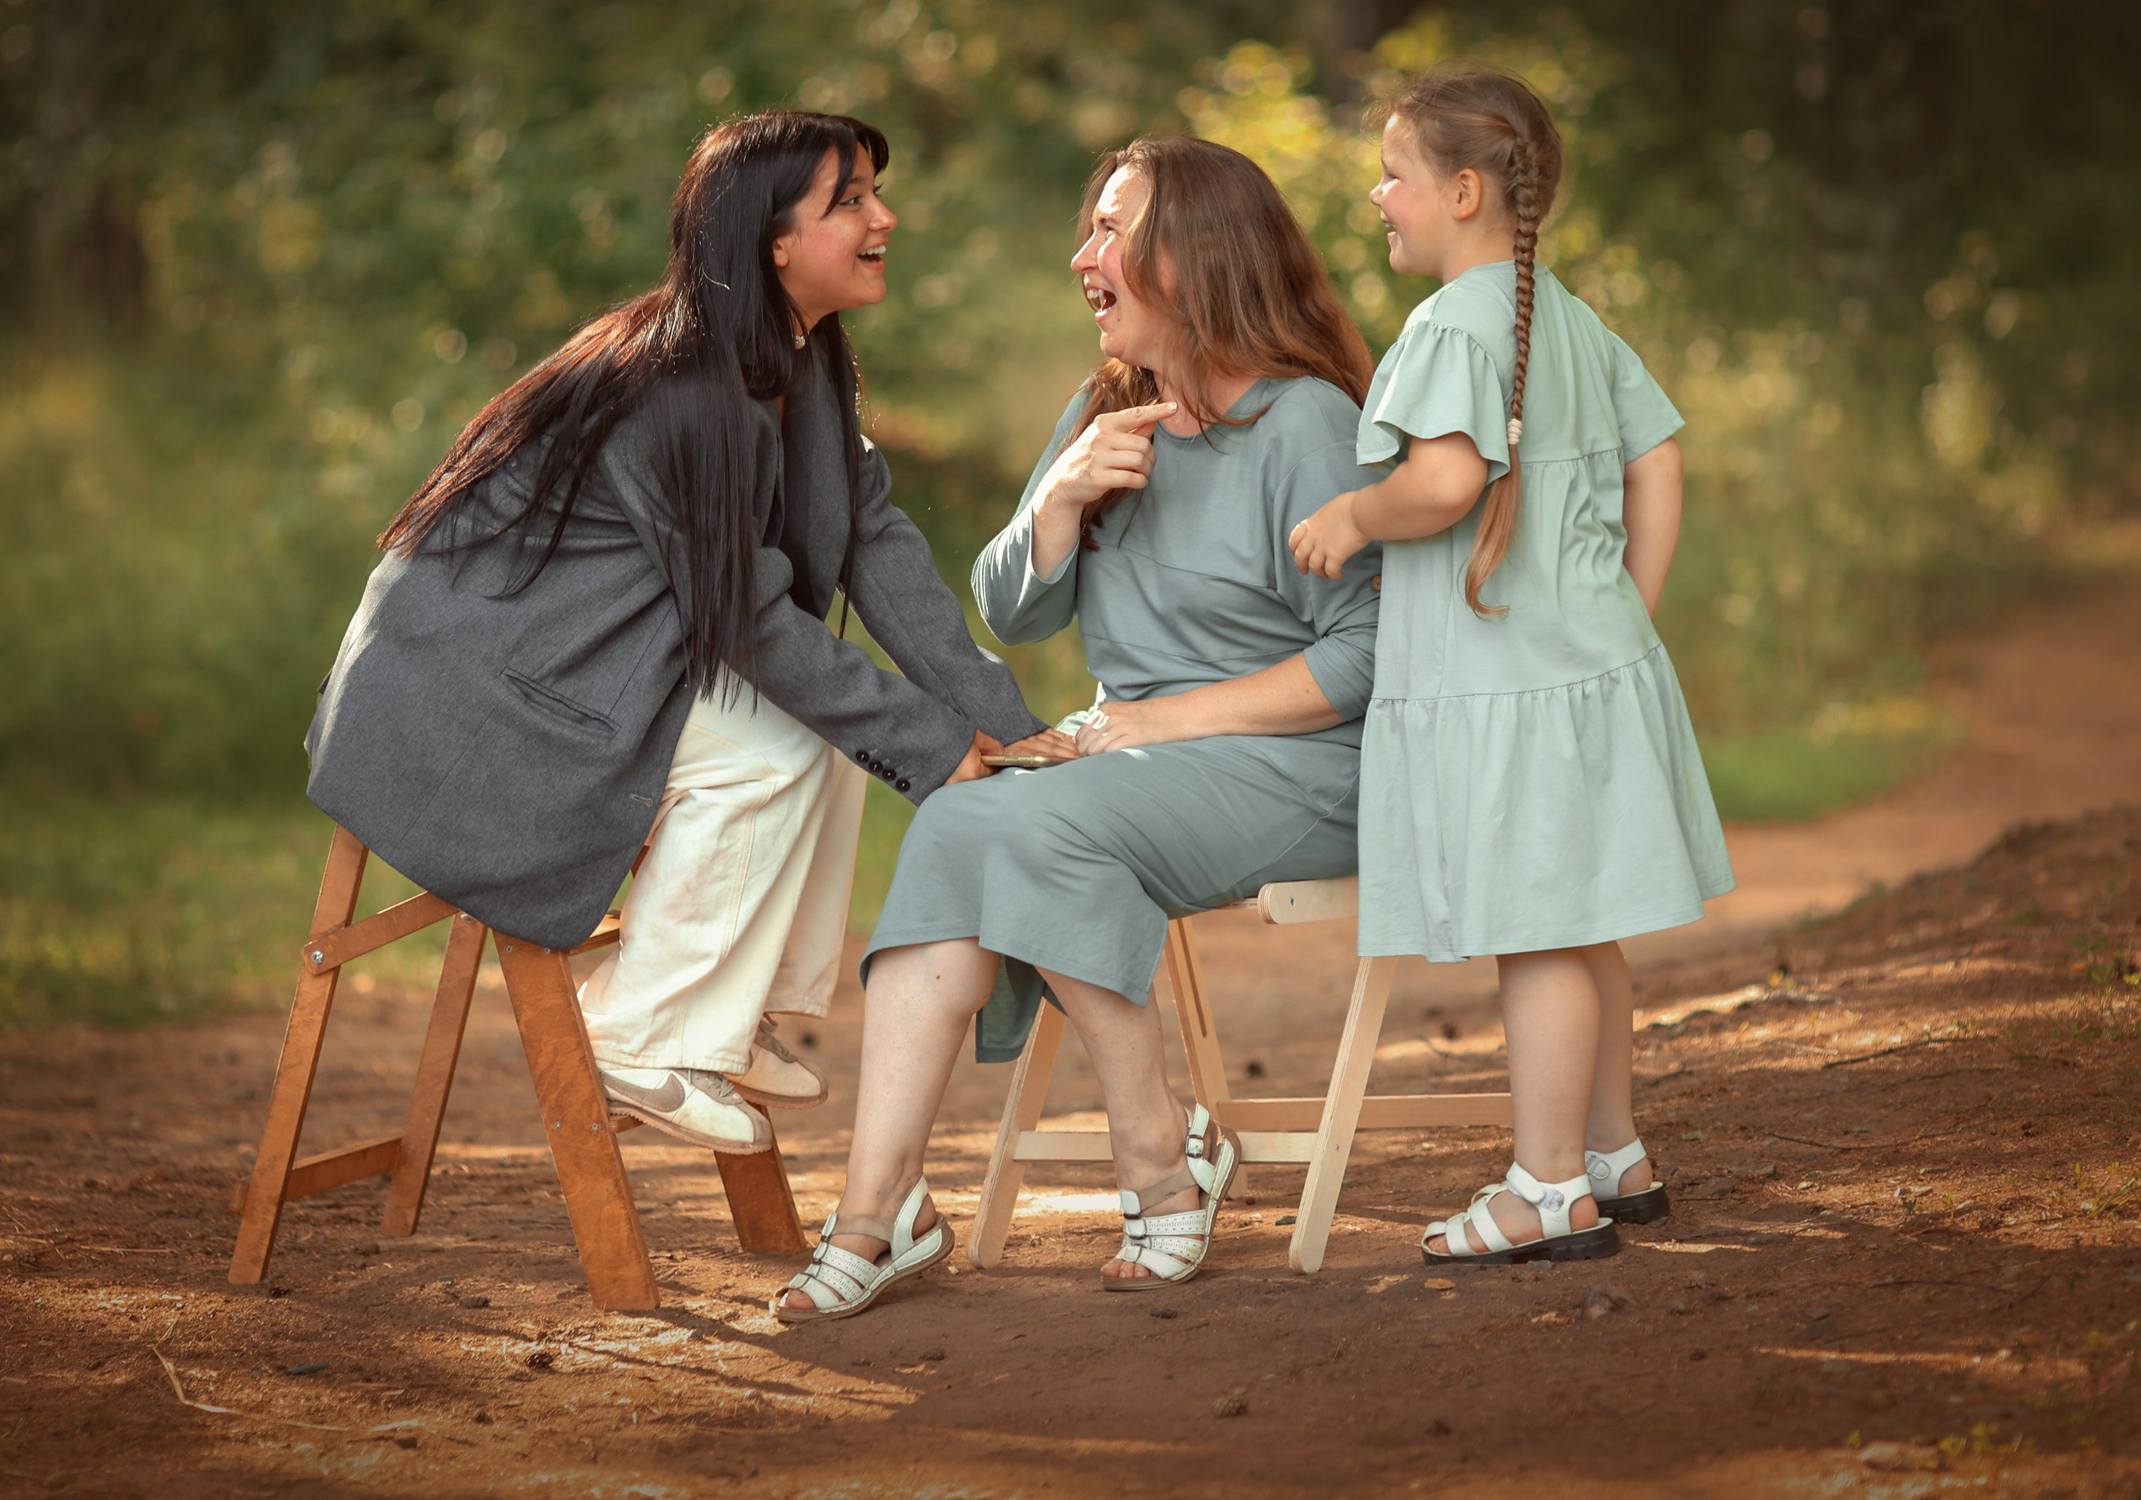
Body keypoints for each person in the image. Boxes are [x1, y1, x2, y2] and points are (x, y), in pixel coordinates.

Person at [304, 110, 1067, 1157]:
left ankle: (729, 1010)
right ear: (773, 240)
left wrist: (998, 726)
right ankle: (639, 1033)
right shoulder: (682, 388)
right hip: (468, 699)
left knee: (835, 733)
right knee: (787, 741)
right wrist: (937, 750)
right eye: (849, 201)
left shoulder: (799, 360)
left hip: (584, 664)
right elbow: (749, 622)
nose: (884, 215)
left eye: (874, 193)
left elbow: (874, 545)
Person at [771, 136, 1382, 1322]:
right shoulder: (1108, 406)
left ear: (1194, 254)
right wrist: (1056, 506)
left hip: (1300, 767)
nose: (1081, 255)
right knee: (963, 814)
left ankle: (1157, 1156)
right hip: (1134, 765)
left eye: (1111, 229)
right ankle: (877, 1206)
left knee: (1030, 818)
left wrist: (1154, 724)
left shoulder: (1303, 425)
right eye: (1088, 228)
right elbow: (1010, 603)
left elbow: (1365, 658)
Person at [1290, 70, 1735, 1265]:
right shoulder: (1568, 318)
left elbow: (1442, 485)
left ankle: (1543, 1189)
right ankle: (1611, 1153)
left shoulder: (1448, 327)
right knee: (1586, 924)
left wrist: (1355, 516)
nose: (1377, 197)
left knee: (1537, 930)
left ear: (1466, 191)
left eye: (1394, 176)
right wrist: (1622, 612)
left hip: (1507, 688)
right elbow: (1661, 461)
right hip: (1592, 667)